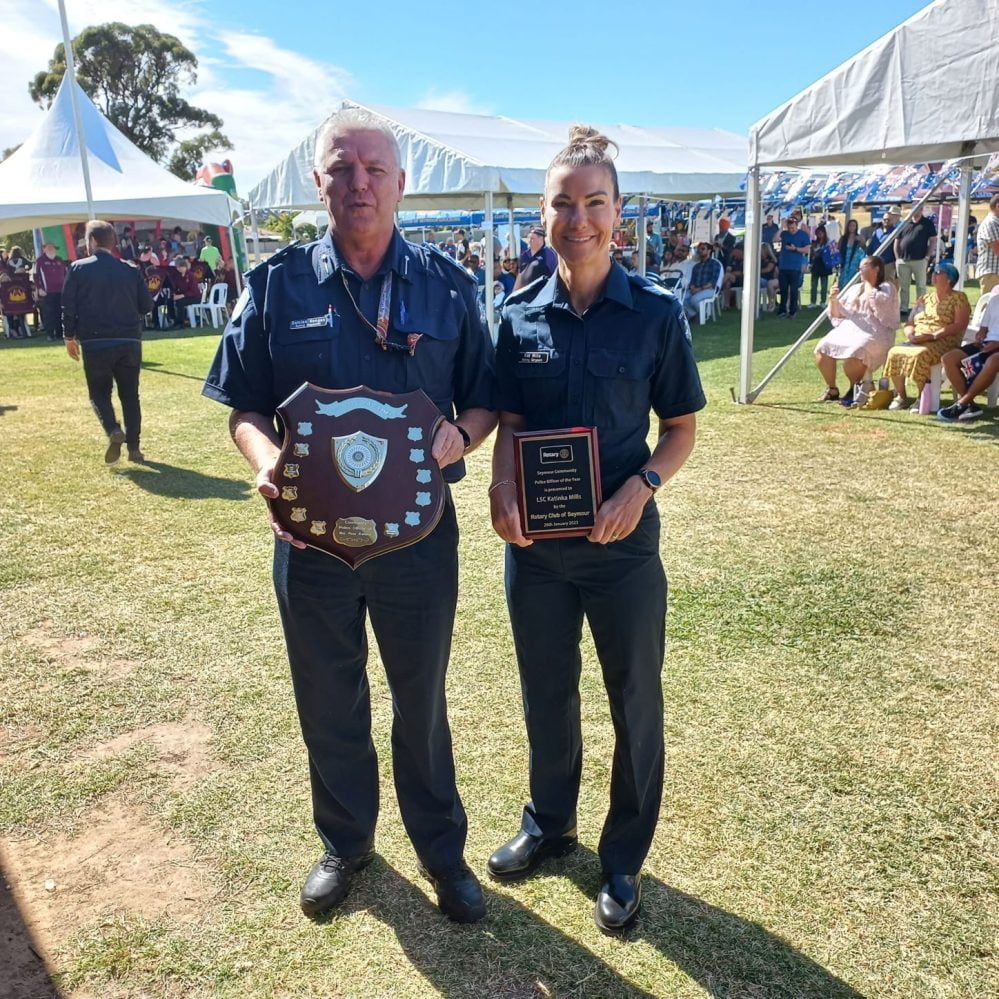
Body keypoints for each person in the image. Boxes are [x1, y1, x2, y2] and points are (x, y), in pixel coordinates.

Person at [202, 106, 496, 924]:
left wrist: (457, 434)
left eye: (373, 169)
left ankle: (442, 852)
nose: (358, 183)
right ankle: (347, 844)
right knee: (327, 698)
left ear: (401, 183)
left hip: (419, 542)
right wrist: (269, 467)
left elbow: (483, 398)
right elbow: (242, 408)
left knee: (420, 701)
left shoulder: (447, 285)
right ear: (317, 179)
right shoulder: (275, 284)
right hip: (311, 542)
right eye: (341, 168)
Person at [487, 125, 704, 935]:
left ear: (618, 213)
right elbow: (508, 420)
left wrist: (640, 488)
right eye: (562, 203)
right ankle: (549, 822)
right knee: (545, 691)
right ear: (541, 215)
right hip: (536, 555)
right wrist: (501, 484)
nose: (577, 218)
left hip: (622, 551)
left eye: (593, 202)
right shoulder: (516, 316)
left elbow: (679, 428)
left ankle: (621, 857)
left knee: (632, 699)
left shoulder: (653, 314)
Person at [62, 220, 154, 463]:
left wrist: (69, 336)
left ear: (91, 241)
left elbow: (68, 306)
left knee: (99, 394)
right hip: (129, 340)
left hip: (95, 341)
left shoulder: (78, 268)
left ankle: (113, 430)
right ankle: (134, 449)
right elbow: (146, 306)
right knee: (130, 396)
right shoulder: (130, 269)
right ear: (113, 242)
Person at [883, 261, 969, 410]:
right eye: (933, 271)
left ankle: (923, 396)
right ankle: (902, 396)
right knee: (893, 352)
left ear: (949, 279)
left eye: (938, 272)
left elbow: (959, 325)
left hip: (944, 341)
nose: (933, 275)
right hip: (918, 339)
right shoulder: (925, 299)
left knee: (921, 354)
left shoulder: (958, 298)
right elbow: (910, 322)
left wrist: (933, 336)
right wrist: (910, 334)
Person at [814, 256, 899, 404]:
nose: (860, 271)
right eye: (860, 268)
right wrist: (833, 299)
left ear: (876, 269)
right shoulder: (854, 289)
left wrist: (868, 283)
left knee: (857, 351)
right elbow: (837, 314)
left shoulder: (887, 287)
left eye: (864, 267)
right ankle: (832, 388)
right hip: (850, 328)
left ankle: (855, 387)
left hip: (876, 330)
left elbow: (880, 306)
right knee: (823, 347)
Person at [937, 291, 999, 421]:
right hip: (987, 344)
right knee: (948, 359)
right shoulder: (994, 299)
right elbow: (984, 327)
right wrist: (981, 336)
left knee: (993, 360)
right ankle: (970, 404)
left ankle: (962, 403)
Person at [894, 205, 937, 313]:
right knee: (904, 286)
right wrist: (897, 258)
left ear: (921, 210)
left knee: (921, 286)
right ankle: (903, 308)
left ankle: (920, 308)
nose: (914, 211)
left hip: (920, 260)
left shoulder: (927, 223)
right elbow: (896, 241)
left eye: (917, 209)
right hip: (903, 260)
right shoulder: (904, 223)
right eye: (912, 209)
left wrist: (927, 257)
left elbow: (933, 241)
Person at [34, 242, 69, 340]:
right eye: (48, 248)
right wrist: (39, 288)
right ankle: (50, 334)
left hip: (60, 291)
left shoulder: (59, 260)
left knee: (60, 312)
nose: (51, 250)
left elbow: (66, 274)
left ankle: (59, 334)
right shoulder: (40, 261)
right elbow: (36, 275)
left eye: (52, 248)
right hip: (47, 292)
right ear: (44, 249)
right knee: (49, 313)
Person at [776, 216, 810, 318]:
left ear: (796, 226)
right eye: (789, 228)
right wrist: (781, 228)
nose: (791, 230)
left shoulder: (802, 235)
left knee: (794, 290)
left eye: (793, 228)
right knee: (783, 290)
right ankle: (782, 311)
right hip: (783, 266)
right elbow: (775, 239)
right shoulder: (784, 234)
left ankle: (792, 311)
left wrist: (795, 249)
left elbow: (807, 250)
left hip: (795, 267)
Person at [682, 242, 722, 322]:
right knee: (682, 298)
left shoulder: (715, 264)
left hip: (709, 289)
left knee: (694, 299)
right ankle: (694, 314)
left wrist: (699, 289)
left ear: (709, 251)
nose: (700, 251)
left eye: (703, 249)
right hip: (697, 289)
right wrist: (692, 287)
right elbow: (692, 280)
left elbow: (713, 282)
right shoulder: (696, 266)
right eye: (699, 249)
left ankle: (704, 315)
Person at [514, 226, 558, 290]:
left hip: (542, 293)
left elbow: (555, 274)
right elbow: (520, 276)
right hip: (526, 294)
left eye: (532, 238)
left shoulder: (549, 254)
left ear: (541, 239)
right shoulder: (524, 255)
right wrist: (514, 293)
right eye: (529, 238)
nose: (529, 240)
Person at [975, 193, 999, 297]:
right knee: (989, 307)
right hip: (991, 274)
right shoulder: (990, 223)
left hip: (995, 273)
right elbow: (997, 248)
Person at [866, 208, 900, 283]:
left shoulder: (895, 232)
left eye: (888, 219)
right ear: (882, 220)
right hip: (876, 264)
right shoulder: (876, 232)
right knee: (876, 284)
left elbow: (897, 248)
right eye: (885, 219)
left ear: (892, 221)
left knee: (888, 285)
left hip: (889, 264)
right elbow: (871, 247)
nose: (886, 221)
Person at [167, 256, 202, 327]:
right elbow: (175, 287)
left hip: (194, 297)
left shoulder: (191, 275)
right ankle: (174, 319)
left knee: (180, 302)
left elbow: (194, 291)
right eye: (177, 267)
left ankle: (181, 322)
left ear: (184, 267)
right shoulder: (177, 276)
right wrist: (173, 294)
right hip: (183, 295)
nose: (178, 269)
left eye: (180, 267)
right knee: (169, 301)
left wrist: (181, 296)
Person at [808, 224, 833, 308]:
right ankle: (813, 301)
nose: (818, 235)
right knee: (814, 285)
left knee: (824, 285)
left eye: (820, 233)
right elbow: (812, 254)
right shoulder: (814, 243)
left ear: (824, 233)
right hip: (816, 265)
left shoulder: (828, 243)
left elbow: (831, 253)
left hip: (824, 266)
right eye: (817, 233)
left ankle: (823, 301)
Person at [837, 219, 865, 288]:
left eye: (854, 226)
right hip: (844, 262)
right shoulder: (843, 238)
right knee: (843, 281)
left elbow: (864, 250)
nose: (852, 227)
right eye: (850, 226)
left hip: (854, 263)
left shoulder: (860, 237)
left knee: (853, 282)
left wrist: (860, 241)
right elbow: (839, 249)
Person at [759, 242, 779, 311]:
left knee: (758, 280)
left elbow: (768, 269)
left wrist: (757, 272)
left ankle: (772, 302)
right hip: (762, 278)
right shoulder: (759, 260)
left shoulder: (772, 260)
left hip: (768, 279)